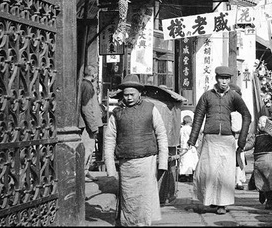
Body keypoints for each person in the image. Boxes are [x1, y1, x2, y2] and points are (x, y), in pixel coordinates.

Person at [103, 74, 169, 226]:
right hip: (126, 164)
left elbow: (161, 135)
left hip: (147, 161)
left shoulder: (151, 109)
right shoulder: (117, 113)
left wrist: (163, 163)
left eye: (132, 94)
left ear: (139, 93)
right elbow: (109, 140)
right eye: (126, 95)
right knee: (128, 198)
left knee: (144, 198)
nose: (129, 98)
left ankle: (142, 224)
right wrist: (110, 169)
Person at [187, 66, 252, 215]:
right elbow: (198, 118)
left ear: (230, 80)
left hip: (227, 140)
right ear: (216, 79)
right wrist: (192, 140)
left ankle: (222, 204)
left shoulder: (234, 97)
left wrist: (241, 142)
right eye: (222, 78)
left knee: (225, 173)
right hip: (210, 139)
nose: (224, 81)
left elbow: (247, 115)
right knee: (207, 171)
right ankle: (209, 201)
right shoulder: (207, 96)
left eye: (227, 78)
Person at [243, 115, 272, 210]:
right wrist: (243, 147)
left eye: (264, 123)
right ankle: (262, 193)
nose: (262, 125)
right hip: (259, 162)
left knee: (271, 183)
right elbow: (250, 144)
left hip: (270, 162)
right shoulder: (255, 136)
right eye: (260, 122)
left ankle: (269, 201)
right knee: (260, 181)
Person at [79, 64, 103, 174]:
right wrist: (93, 126)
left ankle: (85, 171)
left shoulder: (85, 84)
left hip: (88, 124)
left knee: (88, 148)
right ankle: (82, 173)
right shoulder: (87, 86)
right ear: (93, 74)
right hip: (88, 126)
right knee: (88, 148)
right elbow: (87, 108)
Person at [229, 83, 247, 190]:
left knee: (237, 160)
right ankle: (237, 181)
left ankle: (237, 180)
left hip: (234, 138)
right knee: (238, 159)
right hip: (236, 138)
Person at [178, 115, 198, 182]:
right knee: (191, 161)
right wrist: (196, 145)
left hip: (183, 147)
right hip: (190, 147)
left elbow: (180, 138)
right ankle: (190, 175)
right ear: (190, 121)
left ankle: (182, 175)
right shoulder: (190, 129)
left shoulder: (181, 129)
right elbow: (194, 137)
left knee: (183, 161)